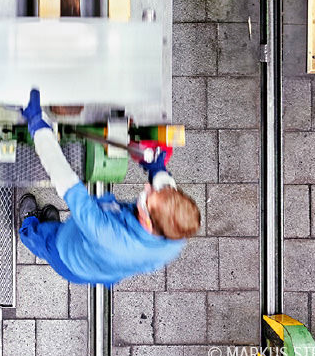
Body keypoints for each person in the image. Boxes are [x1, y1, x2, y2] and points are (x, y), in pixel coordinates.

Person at [16, 88, 201, 287]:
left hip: (68, 256)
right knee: (69, 227)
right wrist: (158, 170)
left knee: (43, 239)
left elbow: (64, 179)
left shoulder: (105, 233)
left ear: (148, 222)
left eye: (148, 196)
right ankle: (55, 226)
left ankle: (28, 226)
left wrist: (38, 126)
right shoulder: (176, 234)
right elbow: (167, 199)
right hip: (97, 256)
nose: (147, 187)